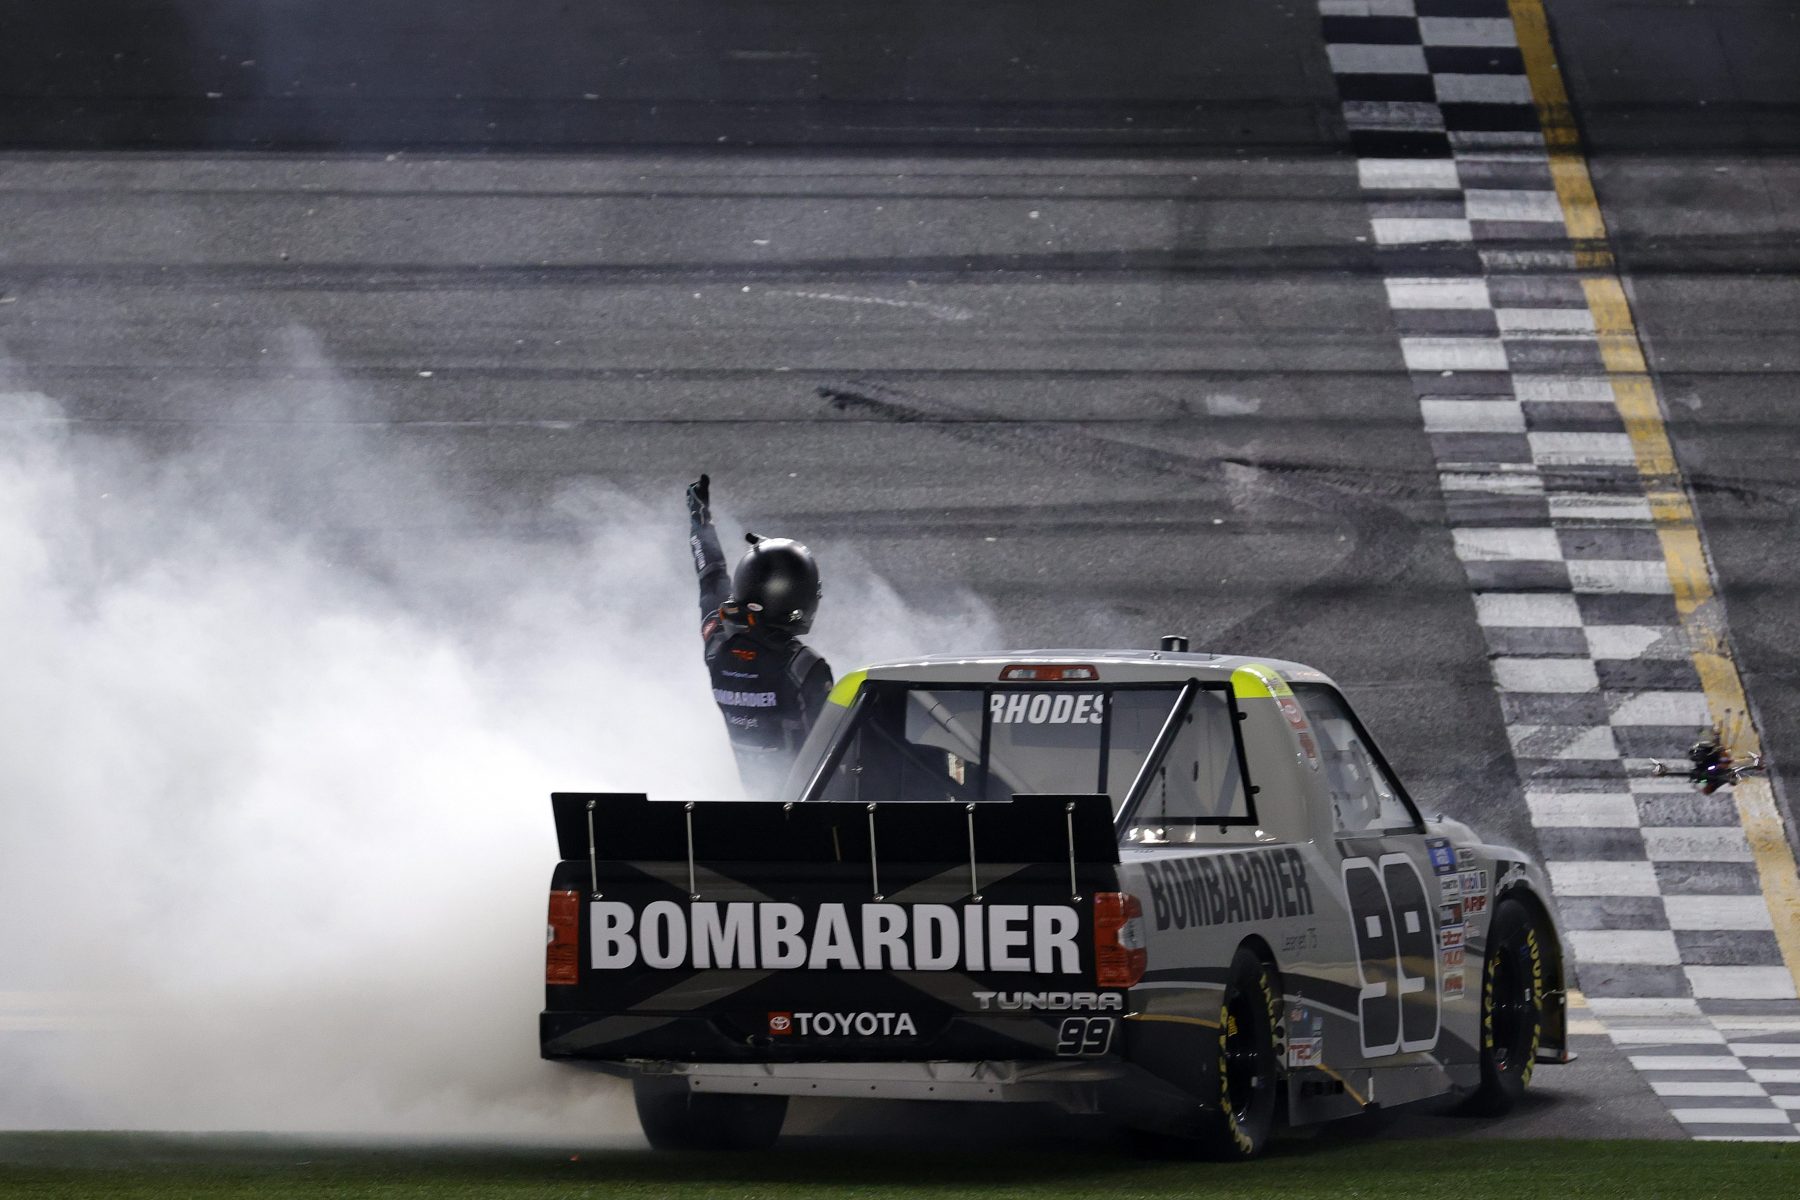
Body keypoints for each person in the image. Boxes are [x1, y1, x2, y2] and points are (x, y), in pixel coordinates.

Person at [686, 474, 833, 798]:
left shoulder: (717, 645)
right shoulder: (805, 668)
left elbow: (710, 579)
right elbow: (835, 754)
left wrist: (700, 523)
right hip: (807, 809)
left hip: (755, 801)